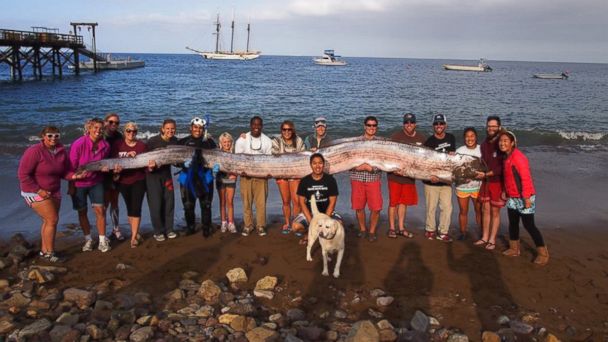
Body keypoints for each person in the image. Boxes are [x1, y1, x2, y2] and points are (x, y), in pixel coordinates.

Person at [18, 126, 84, 262]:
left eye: (56, 136)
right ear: (43, 136)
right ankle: (50, 254)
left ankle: (44, 251)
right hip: (33, 191)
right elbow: (23, 175)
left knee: (48, 221)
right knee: (52, 220)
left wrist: (75, 177)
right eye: (50, 136)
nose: (53, 138)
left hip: (54, 191)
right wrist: (39, 190)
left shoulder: (61, 151)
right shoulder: (34, 151)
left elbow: (64, 172)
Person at [498, 131, 549, 265]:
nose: (502, 143)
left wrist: (526, 198)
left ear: (512, 143)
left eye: (505, 141)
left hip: (525, 196)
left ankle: (543, 253)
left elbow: (526, 179)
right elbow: (508, 177)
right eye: (500, 141)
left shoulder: (518, 157)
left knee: (529, 225)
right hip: (513, 197)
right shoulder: (506, 157)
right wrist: (505, 191)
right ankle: (514, 249)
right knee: (513, 223)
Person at [69, 118, 112, 252]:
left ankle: (102, 240)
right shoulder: (78, 143)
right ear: (89, 129)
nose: (98, 131)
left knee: (100, 211)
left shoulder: (106, 146)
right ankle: (88, 239)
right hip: (79, 183)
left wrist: (106, 168)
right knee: (82, 212)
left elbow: (104, 163)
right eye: (95, 128)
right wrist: (71, 185)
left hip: (96, 182)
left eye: (101, 128)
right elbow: (71, 166)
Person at [386, 113, 426, 239]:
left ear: (415, 124)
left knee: (404, 203)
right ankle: (392, 228)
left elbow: (426, 158)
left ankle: (401, 228)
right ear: (403, 124)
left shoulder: (421, 137)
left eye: (411, 122)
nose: (409, 125)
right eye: (406, 122)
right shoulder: (396, 136)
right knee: (393, 203)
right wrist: (394, 169)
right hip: (395, 176)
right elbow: (388, 154)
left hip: (409, 177)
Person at [178, 116, 218, 237]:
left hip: (205, 178)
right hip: (187, 179)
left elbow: (216, 158)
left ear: (203, 129)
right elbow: (174, 159)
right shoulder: (183, 142)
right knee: (188, 205)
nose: (198, 130)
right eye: (195, 127)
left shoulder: (209, 142)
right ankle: (190, 228)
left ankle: (206, 228)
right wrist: (181, 164)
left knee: (206, 204)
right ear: (191, 128)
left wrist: (216, 167)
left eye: (200, 128)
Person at [234, 116, 273, 236]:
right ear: (250, 125)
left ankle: (261, 225)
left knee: (261, 203)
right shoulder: (242, 140)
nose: (256, 127)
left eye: (259, 125)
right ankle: (248, 225)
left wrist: (268, 173)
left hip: (261, 177)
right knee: (247, 202)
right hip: (246, 176)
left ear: (262, 126)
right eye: (254, 125)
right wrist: (241, 171)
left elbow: (269, 160)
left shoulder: (267, 141)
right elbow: (237, 158)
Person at [111, 122, 148, 248]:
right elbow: (113, 161)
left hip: (138, 180)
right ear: (124, 132)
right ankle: (135, 232)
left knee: (136, 208)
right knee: (129, 208)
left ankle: (133, 238)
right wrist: (115, 170)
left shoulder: (141, 146)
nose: (131, 133)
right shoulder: (118, 145)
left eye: (134, 131)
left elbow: (146, 165)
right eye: (128, 131)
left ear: (137, 133)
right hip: (123, 181)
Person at [292, 153, 342, 242]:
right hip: (310, 213)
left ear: (324, 164)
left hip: (326, 213)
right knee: (295, 226)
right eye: (314, 163)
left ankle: (323, 234)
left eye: (320, 163)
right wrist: (312, 223)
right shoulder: (304, 181)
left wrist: (325, 222)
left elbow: (332, 202)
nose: (317, 166)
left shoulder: (330, 180)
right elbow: (302, 203)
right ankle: (309, 233)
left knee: (339, 225)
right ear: (311, 165)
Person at [423, 113, 456, 242]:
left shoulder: (451, 138)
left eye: (441, 123)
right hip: (431, 180)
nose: (439, 126)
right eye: (436, 124)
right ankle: (430, 230)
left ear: (445, 125)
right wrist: (431, 176)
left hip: (446, 181)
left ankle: (443, 232)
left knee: (447, 207)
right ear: (433, 126)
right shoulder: (429, 141)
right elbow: (425, 162)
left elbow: (450, 159)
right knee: (431, 207)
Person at [474, 116, 505, 250]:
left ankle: (492, 239)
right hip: (485, 181)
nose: (491, 128)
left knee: (495, 211)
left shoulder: (502, 142)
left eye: (493, 126)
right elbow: (483, 163)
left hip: (497, 181)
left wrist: (487, 174)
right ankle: (484, 237)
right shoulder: (485, 143)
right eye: (489, 126)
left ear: (499, 126)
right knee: (485, 209)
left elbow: (502, 166)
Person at [350, 116, 383, 242]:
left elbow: (385, 161)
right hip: (356, 178)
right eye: (369, 125)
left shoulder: (381, 143)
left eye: (374, 125)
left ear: (376, 127)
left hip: (373, 178)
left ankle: (372, 231)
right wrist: (357, 167)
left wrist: (372, 169)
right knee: (359, 207)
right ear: (364, 126)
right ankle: (363, 229)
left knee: (376, 208)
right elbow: (346, 159)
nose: (371, 128)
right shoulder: (355, 142)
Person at [147, 119, 179, 241]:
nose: (170, 131)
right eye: (168, 128)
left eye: (173, 129)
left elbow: (177, 160)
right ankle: (158, 231)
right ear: (162, 128)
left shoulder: (175, 141)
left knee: (169, 202)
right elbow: (143, 159)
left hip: (166, 175)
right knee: (156, 204)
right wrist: (150, 168)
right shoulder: (152, 141)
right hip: (152, 176)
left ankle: (169, 229)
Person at [272, 120, 306, 234]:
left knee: (296, 201)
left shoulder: (299, 140)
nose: (287, 132)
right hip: (282, 174)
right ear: (281, 131)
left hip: (295, 174)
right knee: (286, 201)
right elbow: (274, 158)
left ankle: (296, 223)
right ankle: (287, 223)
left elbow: (303, 157)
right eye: (284, 130)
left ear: (292, 130)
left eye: (289, 129)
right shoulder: (276, 140)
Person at [455, 127, 482, 240]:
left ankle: (482, 232)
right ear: (464, 138)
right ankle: (463, 232)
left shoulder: (482, 150)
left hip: (478, 187)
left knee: (479, 211)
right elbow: (455, 169)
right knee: (463, 211)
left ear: (476, 137)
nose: (469, 138)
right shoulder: (459, 151)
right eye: (467, 136)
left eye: (472, 136)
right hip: (462, 187)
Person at [103, 113, 125, 241]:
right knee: (104, 203)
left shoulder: (119, 136)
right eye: (111, 122)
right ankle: (103, 231)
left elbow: (121, 152)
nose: (113, 125)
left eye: (116, 123)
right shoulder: (101, 135)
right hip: (102, 172)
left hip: (115, 171)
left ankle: (116, 228)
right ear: (105, 122)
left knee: (114, 201)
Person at [217, 132, 238, 234]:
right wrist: (214, 170)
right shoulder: (217, 153)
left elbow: (238, 167)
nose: (226, 144)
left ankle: (231, 223)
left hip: (230, 178)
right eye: (224, 142)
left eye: (228, 141)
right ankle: (223, 222)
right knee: (222, 202)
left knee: (230, 202)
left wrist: (235, 175)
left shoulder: (234, 154)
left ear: (231, 142)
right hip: (220, 178)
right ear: (221, 143)